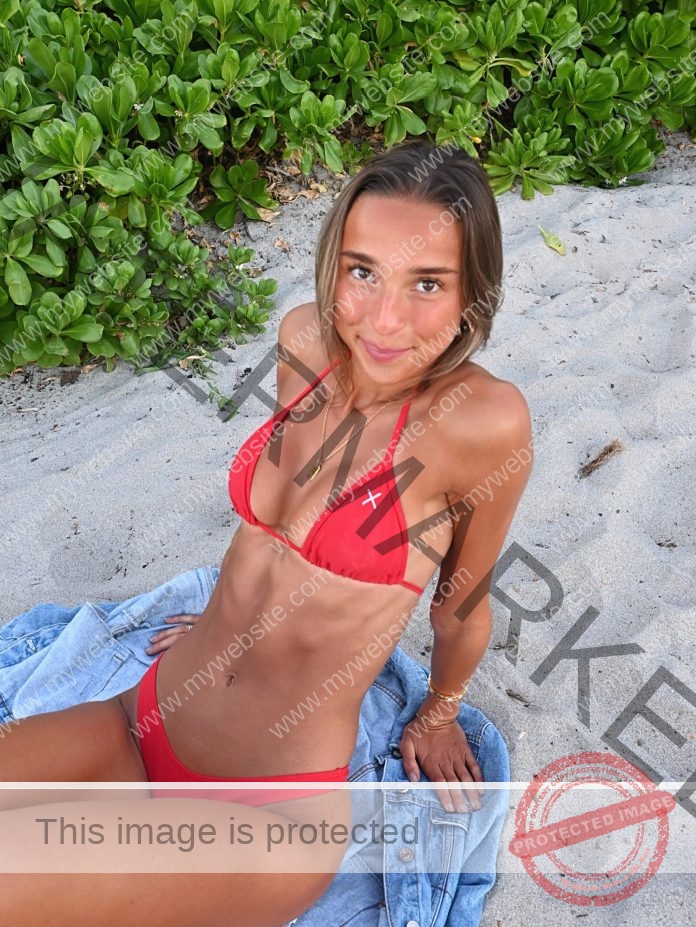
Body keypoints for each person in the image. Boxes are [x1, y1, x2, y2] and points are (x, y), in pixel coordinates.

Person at [0, 139, 532, 925]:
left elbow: (461, 607)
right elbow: (273, 537)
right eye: (362, 272)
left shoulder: (484, 425)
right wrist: (227, 623)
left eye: (427, 283)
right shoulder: (305, 343)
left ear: (472, 295)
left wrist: (439, 711)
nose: (383, 319)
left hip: (271, 816)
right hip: (143, 715)